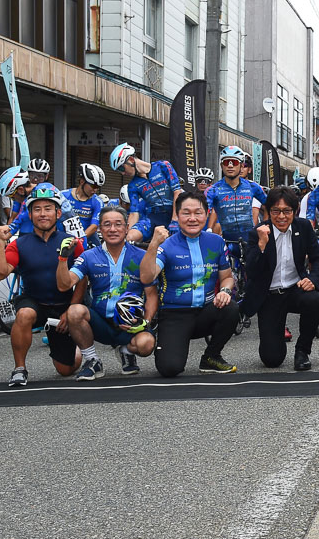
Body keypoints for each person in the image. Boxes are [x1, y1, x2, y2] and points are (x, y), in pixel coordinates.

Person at [140, 190, 242, 376]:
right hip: (174, 314)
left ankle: (211, 356)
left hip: (205, 311)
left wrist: (225, 291)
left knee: (231, 308)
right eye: (186, 213)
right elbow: (147, 278)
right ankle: (170, 344)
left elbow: (227, 277)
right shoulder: (167, 245)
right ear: (177, 216)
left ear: (206, 214)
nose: (192, 218)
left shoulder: (216, 242)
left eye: (198, 212)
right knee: (170, 369)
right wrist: (153, 244)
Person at [0, 188, 85, 387]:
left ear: (58, 214)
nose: (42, 214)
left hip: (63, 306)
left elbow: (84, 278)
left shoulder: (72, 242)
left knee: (66, 369)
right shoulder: (19, 244)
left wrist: (71, 309)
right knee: (24, 314)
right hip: (34, 302)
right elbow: (0, 273)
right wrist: (1, 242)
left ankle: (74, 349)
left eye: (48, 209)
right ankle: (19, 369)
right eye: (37, 209)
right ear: (30, 214)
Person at [57, 205, 157, 378]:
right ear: (100, 229)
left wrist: (145, 322)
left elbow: (152, 295)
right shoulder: (89, 256)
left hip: (131, 323)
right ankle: (92, 360)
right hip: (101, 323)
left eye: (118, 224)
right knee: (74, 311)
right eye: (107, 225)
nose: (113, 229)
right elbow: (64, 285)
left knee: (147, 344)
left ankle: (126, 351)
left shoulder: (141, 256)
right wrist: (63, 258)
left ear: (127, 228)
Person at [243, 187, 319, 371]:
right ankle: (275, 334)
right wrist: (261, 246)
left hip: (295, 288)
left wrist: (312, 279)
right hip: (269, 294)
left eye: (287, 211)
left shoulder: (303, 227)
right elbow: (252, 271)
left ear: (295, 211)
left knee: (312, 300)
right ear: (268, 211)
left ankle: (302, 351)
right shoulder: (257, 232)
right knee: (272, 360)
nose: (281, 216)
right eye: (276, 211)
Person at [207, 146, 264, 293]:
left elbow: (271, 204)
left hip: (249, 239)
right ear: (221, 166)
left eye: (234, 162)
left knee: (256, 276)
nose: (230, 166)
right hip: (227, 239)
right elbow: (203, 211)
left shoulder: (253, 187)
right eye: (226, 163)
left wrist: (266, 225)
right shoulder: (213, 190)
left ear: (241, 165)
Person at [110, 142, 181, 243]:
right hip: (154, 217)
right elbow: (134, 213)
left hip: (174, 213)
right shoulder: (132, 185)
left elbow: (177, 192)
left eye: (121, 168)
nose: (122, 173)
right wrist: (127, 234)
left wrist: (175, 219)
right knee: (130, 238)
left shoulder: (163, 166)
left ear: (130, 160)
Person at [61, 163, 105, 244]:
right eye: (93, 186)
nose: (95, 190)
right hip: (65, 239)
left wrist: (79, 239)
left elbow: (94, 226)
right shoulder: (63, 196)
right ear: (82, 181)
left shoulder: (98, 202)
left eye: (98, 187)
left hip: (87, 241)